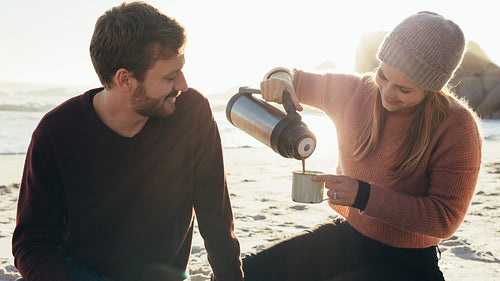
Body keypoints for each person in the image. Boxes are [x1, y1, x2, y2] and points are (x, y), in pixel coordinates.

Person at [242, 11, 482, 281]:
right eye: (383, 75)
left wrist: (364, 195)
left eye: (404, 89)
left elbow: (444, 219)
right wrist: (279, 78)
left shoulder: (457, 125)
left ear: (431, 88)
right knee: (242, 273)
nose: (387, 93)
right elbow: (290, 76)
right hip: (348, 239)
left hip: (409, 264)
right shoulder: (356, 90)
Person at [12, 2, 243, 281]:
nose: (182, 85)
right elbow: (32, 242)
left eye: (180, 70)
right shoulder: (55, 133)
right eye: (170, 76)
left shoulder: (192, 113)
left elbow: (215, 216)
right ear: (125, 80)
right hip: (79, 273)